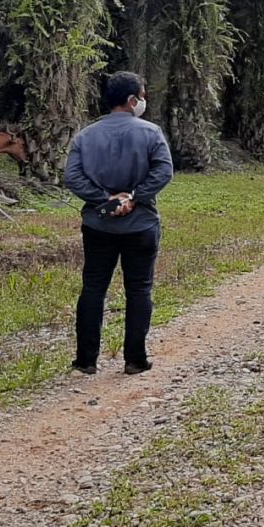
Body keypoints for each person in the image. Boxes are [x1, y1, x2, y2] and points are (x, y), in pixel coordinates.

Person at [63, 71, 173, 375]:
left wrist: (105, 200)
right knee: (139, 289)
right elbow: (163, 172)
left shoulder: (85, 135)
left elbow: (72, 177)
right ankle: (135, 359)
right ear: (131, 100)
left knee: (93, 287)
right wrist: (134, 198)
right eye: (142, 95)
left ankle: (85, 360)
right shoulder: (151, 133)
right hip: (142, 226)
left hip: (98, 225)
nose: (143, 101)